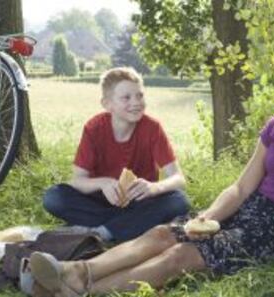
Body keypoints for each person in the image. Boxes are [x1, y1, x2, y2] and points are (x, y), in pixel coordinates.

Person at [25, 37, 274, 297]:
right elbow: (240, 189)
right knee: (165, 233)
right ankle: (74, 270)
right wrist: (204, 218)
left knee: (179, 258)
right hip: (248, 210)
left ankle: (81, 287)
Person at [41, 67, 189, 242]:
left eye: (140, 95)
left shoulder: (152, 128)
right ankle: (127, 227)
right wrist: (104, 183)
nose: (136, 102)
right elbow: (77, 181)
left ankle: (100, 232)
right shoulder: (94, 128)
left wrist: (154, 187)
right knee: (53, 197)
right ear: (107, 104)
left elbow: (179, 179)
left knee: (179, 201)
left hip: (139, 201)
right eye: (126, 98)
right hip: (99, 201)